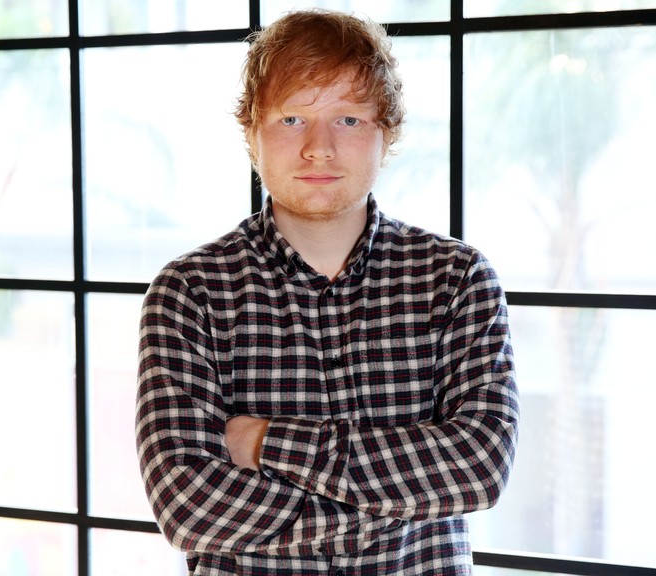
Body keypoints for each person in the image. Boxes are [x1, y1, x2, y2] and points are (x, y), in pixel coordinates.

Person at [135, 8, 519, 575]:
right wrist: (405, 504)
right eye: (291, 119)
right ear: (251, 134)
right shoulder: (191, 291)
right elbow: (187, 506)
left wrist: (266, 443)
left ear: (385, 132)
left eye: (348, 120)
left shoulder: (457, 279)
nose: (318, 148)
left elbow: (481, 466)